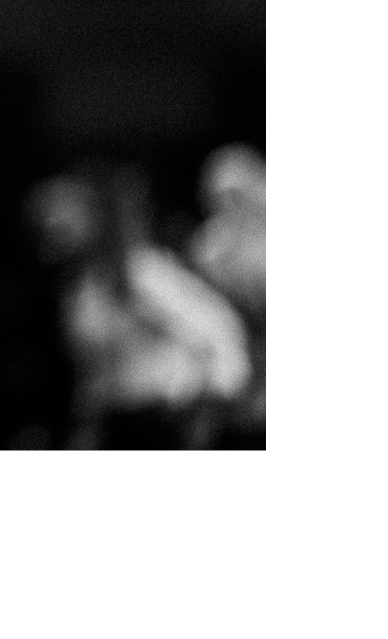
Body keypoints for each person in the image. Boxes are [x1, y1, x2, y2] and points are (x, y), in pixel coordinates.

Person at [26, 163, 250, 448]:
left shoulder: (140, 272)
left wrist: (214, 405)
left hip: (162, 423)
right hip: (113, 424)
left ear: (95, 219)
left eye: (61, 221)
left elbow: (218, 326)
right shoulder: (81, 288)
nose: (51, 230)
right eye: (44, 224)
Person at [187, 144, 266, 446]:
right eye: (219, 196)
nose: (228, 204)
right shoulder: (207, 249)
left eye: (237, 194)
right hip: (230, 365)